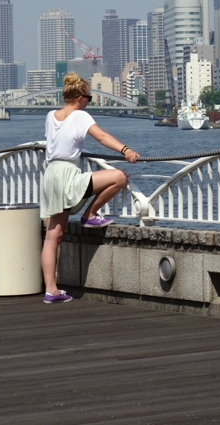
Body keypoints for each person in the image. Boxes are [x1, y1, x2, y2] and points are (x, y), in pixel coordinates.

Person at [40, 73, 140, 303]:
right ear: (78, 97)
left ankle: (51, 290)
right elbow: (102, 137)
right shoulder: (81, 116)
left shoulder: (50, 116)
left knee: (52, 236)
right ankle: (90, 214)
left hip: (51, 175)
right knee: (119, 177)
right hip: (67, 174)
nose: (89, 101)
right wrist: (126, 150)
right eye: (88, 97)